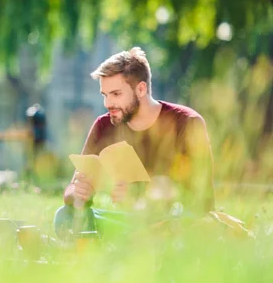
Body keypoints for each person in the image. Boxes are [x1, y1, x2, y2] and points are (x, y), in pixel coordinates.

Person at [54, 47, 215, 240]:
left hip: (171, 222)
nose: (107, 103)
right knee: (64, 217)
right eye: (104, 95)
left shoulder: (187, 123)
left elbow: (201, 200)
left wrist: (141, 196)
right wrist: (78, 193)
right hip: (125, 222)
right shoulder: (103, 125)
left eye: (116, 94)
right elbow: (72, 188)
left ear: (140, 89)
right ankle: (128, 244)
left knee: (193, 226)